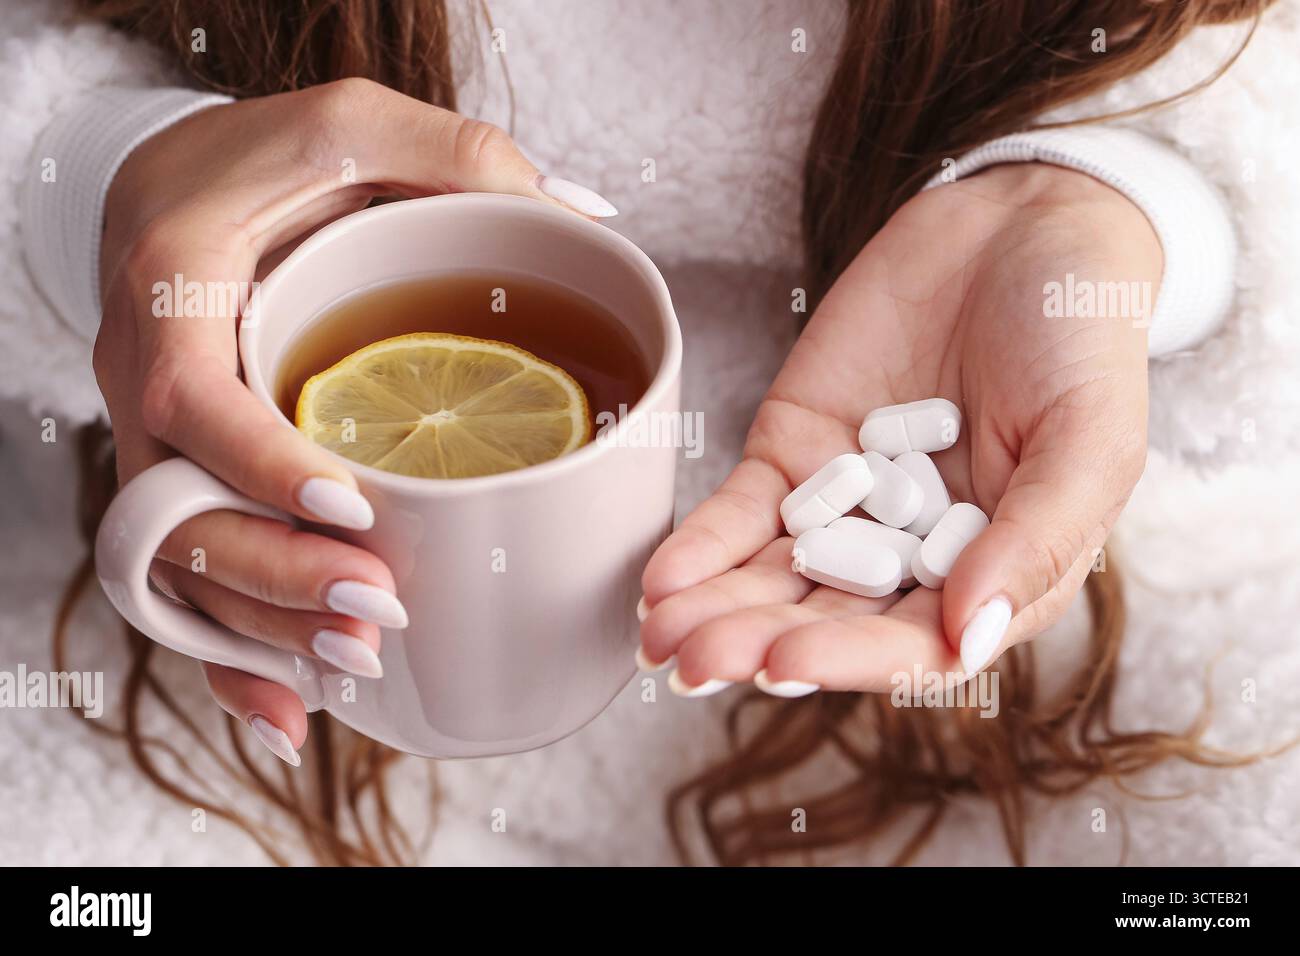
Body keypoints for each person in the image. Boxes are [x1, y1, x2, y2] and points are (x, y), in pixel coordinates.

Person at [5, 0, 1296, 865]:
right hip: (266, 699)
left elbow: (1249, 69)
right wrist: (120, 190)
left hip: (1075, 646)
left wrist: (1113, 220)